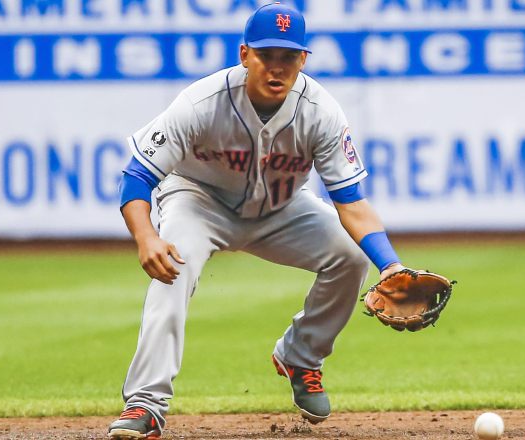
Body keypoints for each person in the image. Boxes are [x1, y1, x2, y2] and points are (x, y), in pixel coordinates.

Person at [107, 3, 405, 438]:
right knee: (173, 268)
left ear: (304, 60)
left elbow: (351, 201)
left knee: (350, 256)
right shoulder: (201, 102)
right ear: (245, 54)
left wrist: (391, 265)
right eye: (268, 55)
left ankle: (301, 356)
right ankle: (146, 403)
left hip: (280, 209)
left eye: (289, 57)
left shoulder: (320, 111)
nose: (277, 67)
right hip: (198, 202)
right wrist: (146, 235)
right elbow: (137, 175)